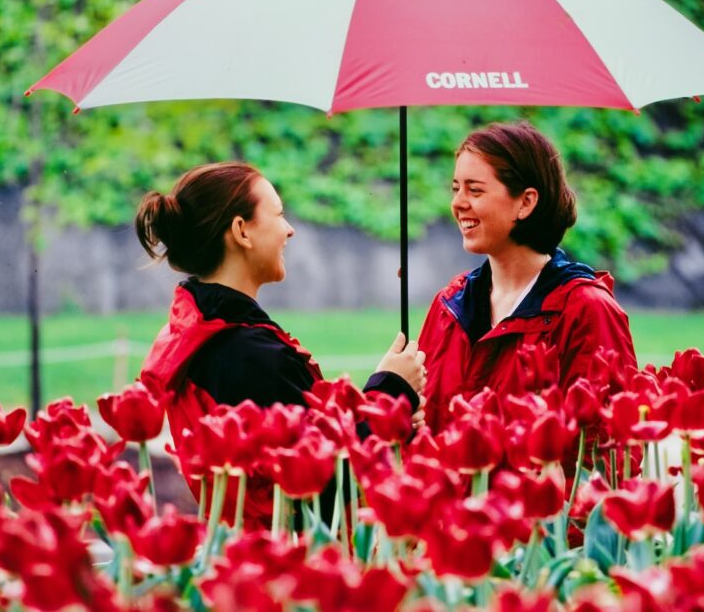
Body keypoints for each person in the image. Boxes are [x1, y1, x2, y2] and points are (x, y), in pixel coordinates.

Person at [134, 162, 426, 527]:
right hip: (285, 564)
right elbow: (322, 480)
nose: (289, 231)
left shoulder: (196, 332)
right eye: (278, 214)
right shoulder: (248, 354)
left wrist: (390, 414)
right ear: (241, 231)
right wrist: (391, 391)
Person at [418, 121, 636, 432]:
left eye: (474, 190)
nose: (457, 203)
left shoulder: (586, 311)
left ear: (526, 202)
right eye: (455, 188)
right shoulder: (448, 307)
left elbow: (606, 456)